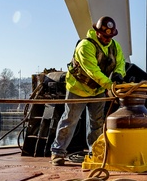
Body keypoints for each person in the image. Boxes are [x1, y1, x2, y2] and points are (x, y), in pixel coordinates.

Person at [50, 16, 126, 165]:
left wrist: (119, 74)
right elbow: (93, 72)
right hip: (78, 89)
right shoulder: (85, 46)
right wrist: (111, 85)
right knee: (70, 120)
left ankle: (95, 152)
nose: (107, 39)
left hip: (98, 90)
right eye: (104, 36)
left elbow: (121, 63)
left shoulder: (115, 46)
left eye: (110, 36)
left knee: (96, 123)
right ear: (97, 32)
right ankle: (58, 152)